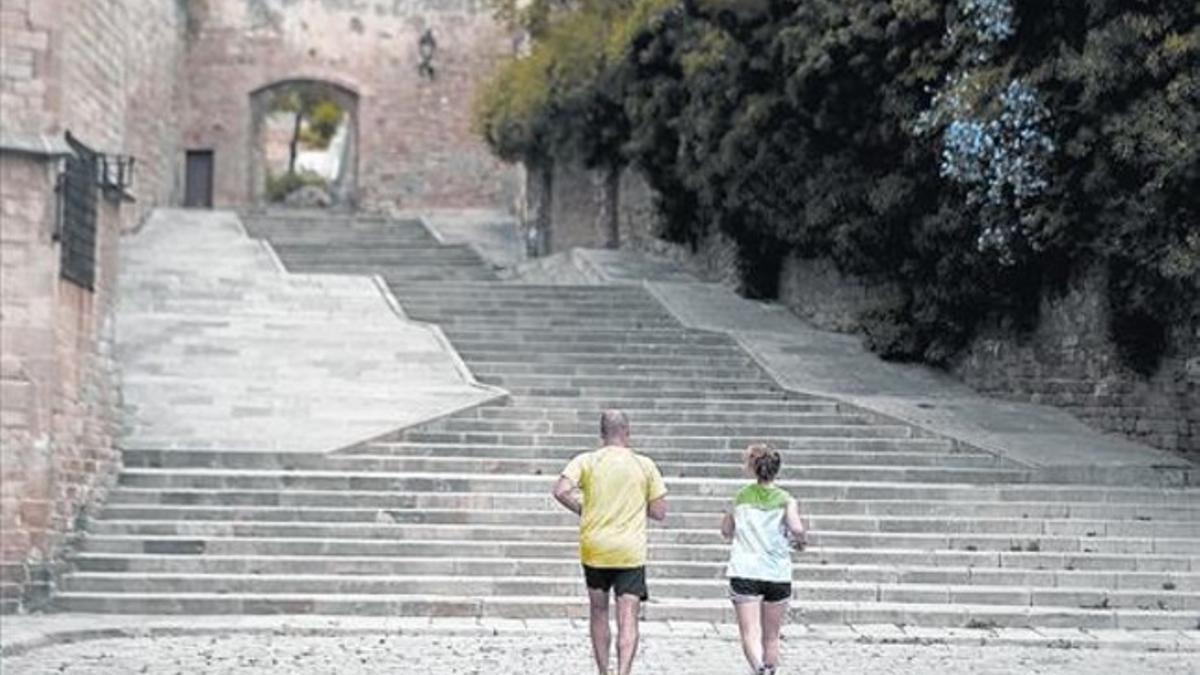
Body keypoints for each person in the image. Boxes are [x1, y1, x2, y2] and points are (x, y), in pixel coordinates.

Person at [553, 410, 668, 675]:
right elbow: (660, 511)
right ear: (627, 432)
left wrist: (583, 508)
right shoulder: (644, 464)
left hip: (595, 549)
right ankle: (623, 671)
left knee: (599, 612)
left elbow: (560, 490)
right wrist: (638, 505)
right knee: (628, 619)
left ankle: (603, 671)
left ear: (601, 434)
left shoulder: (586, 460)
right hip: (630, 552)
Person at [720, 443, 807, 675]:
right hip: (776, 571)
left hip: (745, 569)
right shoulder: (785, 499)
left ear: (753, 468)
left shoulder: (741, 497)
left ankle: (758, 669)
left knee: (749, 633)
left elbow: (726, 530)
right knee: (772, 635)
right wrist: (800, 541)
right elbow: (797, 528)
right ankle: (768, 669)